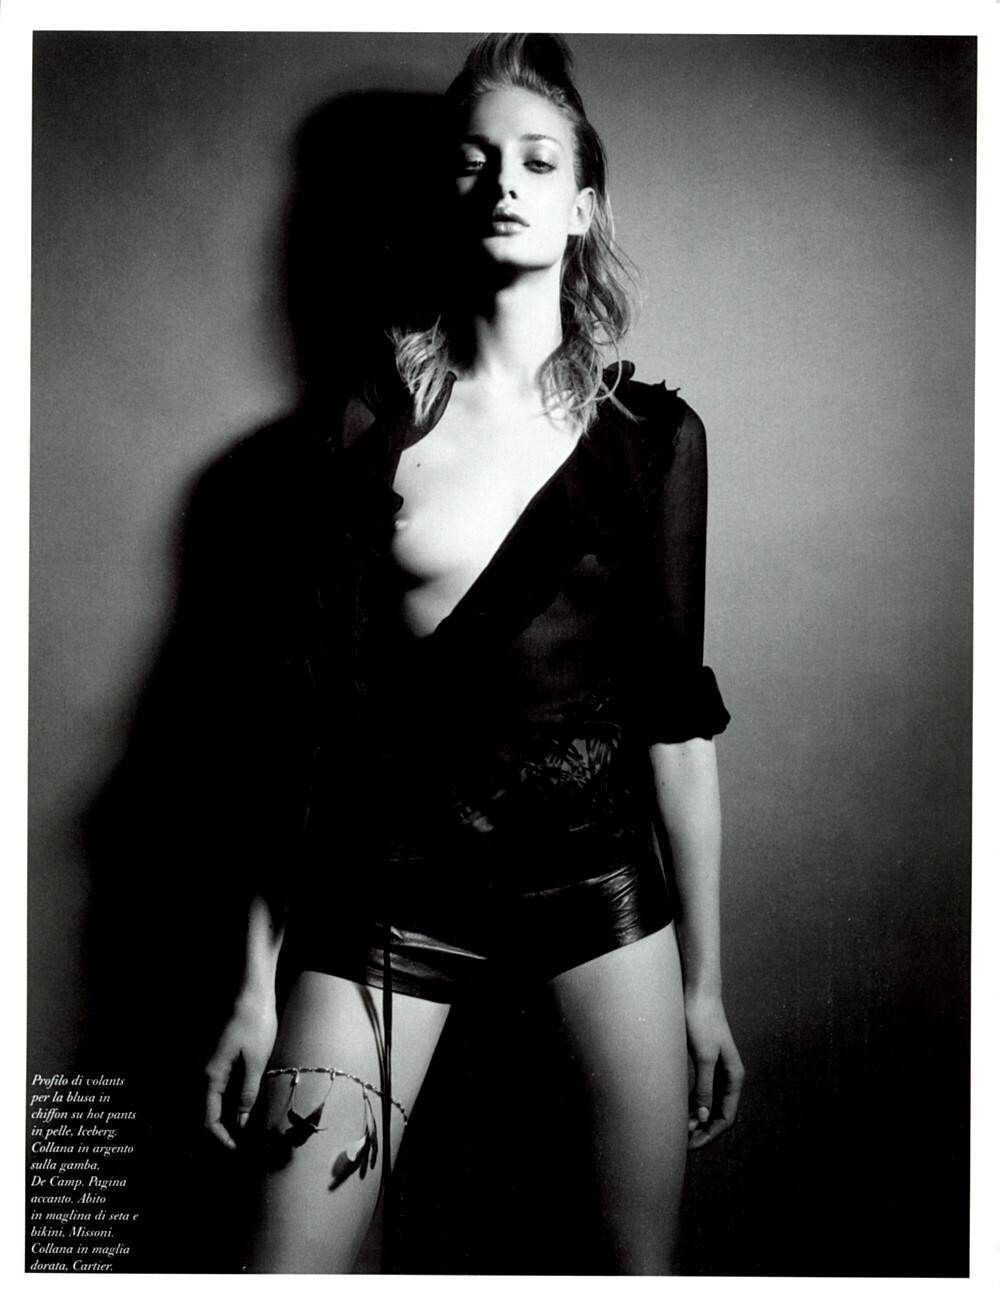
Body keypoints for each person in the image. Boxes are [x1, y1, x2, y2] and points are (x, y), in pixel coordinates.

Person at [203, 33, 743, 1275]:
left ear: (581, 205)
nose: (504, 182)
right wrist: (252, 985)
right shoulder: (364, 426)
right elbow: (305, 727)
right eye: (474, 160)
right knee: (280, 1275)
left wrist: (704, 985)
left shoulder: (652, 440)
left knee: (635, 1275)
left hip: (594, 896)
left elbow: (675, 726)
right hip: (387, 900)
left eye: (538, 160)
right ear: (445, 197)